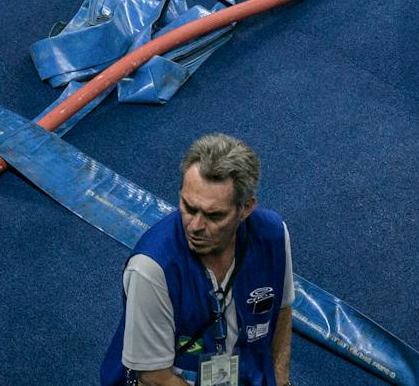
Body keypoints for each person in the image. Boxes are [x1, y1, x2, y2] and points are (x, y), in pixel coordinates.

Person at [99, 134, 294, 386]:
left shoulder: (274, 235)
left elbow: (282, 311)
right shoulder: (150, 269)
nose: (196, 226)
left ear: (246, 208)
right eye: (189, 208)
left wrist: (281, 382)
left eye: (214, 216)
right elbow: (155, 378)